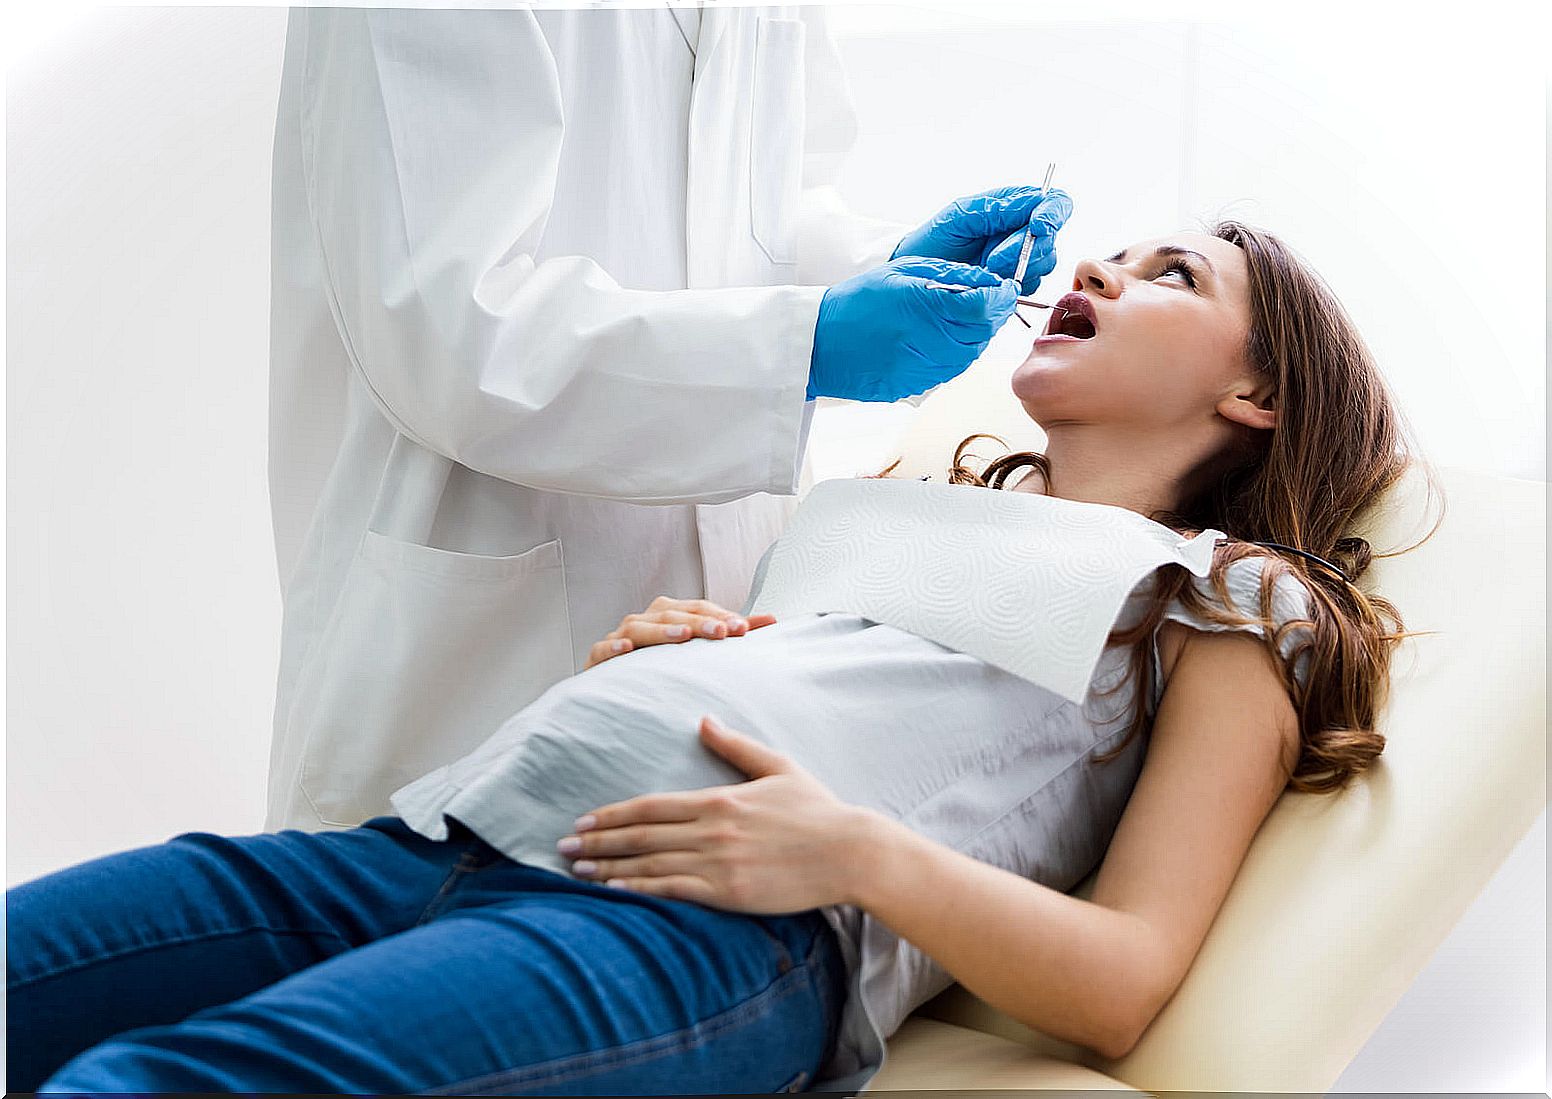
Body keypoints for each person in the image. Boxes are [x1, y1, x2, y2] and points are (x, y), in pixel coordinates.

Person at [8, 223, 1438, 1096]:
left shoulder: (1228, 595)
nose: (1098, 265)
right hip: (444, 835)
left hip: (700, 934)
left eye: (1170, 272)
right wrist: (658, 662)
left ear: (1257, 392)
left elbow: (1128, 970)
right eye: (1113, 250)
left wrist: (858, 850)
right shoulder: (898, 511)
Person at [264, 4, 1071, 833]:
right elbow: (445, 327)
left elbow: (762, 211)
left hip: (719, 664)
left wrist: (891, 267)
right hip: (476, 647)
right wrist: (807, 341)